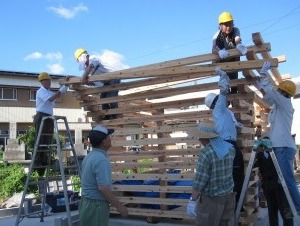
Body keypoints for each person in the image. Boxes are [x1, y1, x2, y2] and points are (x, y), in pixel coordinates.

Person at [257, 61, 300, 214]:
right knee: (283, 181)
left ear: (284, 92)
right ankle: (289, 205)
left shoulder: (286, 103)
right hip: (279, 147)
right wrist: (260, 86)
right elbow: (268, 97)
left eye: (280, 90)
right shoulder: (278, 105)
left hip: (283, 147)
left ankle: (298, 208)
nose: (278, 92)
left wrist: (264, 75)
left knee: (288, 181)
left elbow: (272, 93)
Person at [205, 67, 245, 210]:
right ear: (215, 102)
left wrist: (236, 125)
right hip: (228, 146)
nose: (222, 99)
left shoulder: (222, 112)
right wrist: (223, 76)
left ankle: (236, 206)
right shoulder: (219, 108)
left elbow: (227, 124)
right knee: (236, 176)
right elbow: (223, 91)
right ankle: (234, 208)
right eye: (218, 99)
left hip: (229, 145)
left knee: (237, 175)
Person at [187, 122, 236, 226]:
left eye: (199, 137)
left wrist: (192, 200)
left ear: (205, 138)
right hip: (229, 197)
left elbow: (199, 182)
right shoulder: (230, 149)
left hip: (212, 201)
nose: (199, 139)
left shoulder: (206, 153)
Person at [79, 125, 128, 226]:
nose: (111, 138)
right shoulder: (101, 160)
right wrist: (120, 207)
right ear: (103, 142)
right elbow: (103, 188)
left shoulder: (89, 157)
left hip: (86, 203)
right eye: (108, 136)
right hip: (97, 206)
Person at [254, 134, 294, 226]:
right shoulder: (260, 155)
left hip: (280, 186)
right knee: (272, 211)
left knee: (286, 210)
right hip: (268, 186)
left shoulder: (277, 153)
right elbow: (254, 165)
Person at [34, 72, 68, 175]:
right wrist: (60, 91)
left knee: (47, 139)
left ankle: (44, 160)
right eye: (47, 81)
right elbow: (51, 99)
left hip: (48, 117)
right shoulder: (41, 91)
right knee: (40, 139)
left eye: (49, 81)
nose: (49, 82)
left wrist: (63, 90)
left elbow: (56, 97)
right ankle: (38, 162)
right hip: (41, 116)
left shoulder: (48, 92)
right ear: (43, 81)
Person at [74, 48, 120, 119]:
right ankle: (107, 116)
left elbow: (90, 67)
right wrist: (87, 82)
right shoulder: (86, 69)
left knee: (112, 97)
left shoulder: (93, 58)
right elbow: (94, 81)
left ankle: (115, 116)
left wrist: (83, 78)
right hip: (106, 82)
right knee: (103, 98)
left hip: (113, 77)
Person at [212, 11, 247, 94]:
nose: (229, 27)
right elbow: (213, 49)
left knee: (234, 84)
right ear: (220, 26)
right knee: (224, 85)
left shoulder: (235, 30)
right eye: (226, 25)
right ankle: (226, 102)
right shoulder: (217, 36)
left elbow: (237, 38)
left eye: (230, 24)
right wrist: (219, 52)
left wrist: (239, 45)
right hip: (223, 64)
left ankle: (234, 100)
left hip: (234, 63)